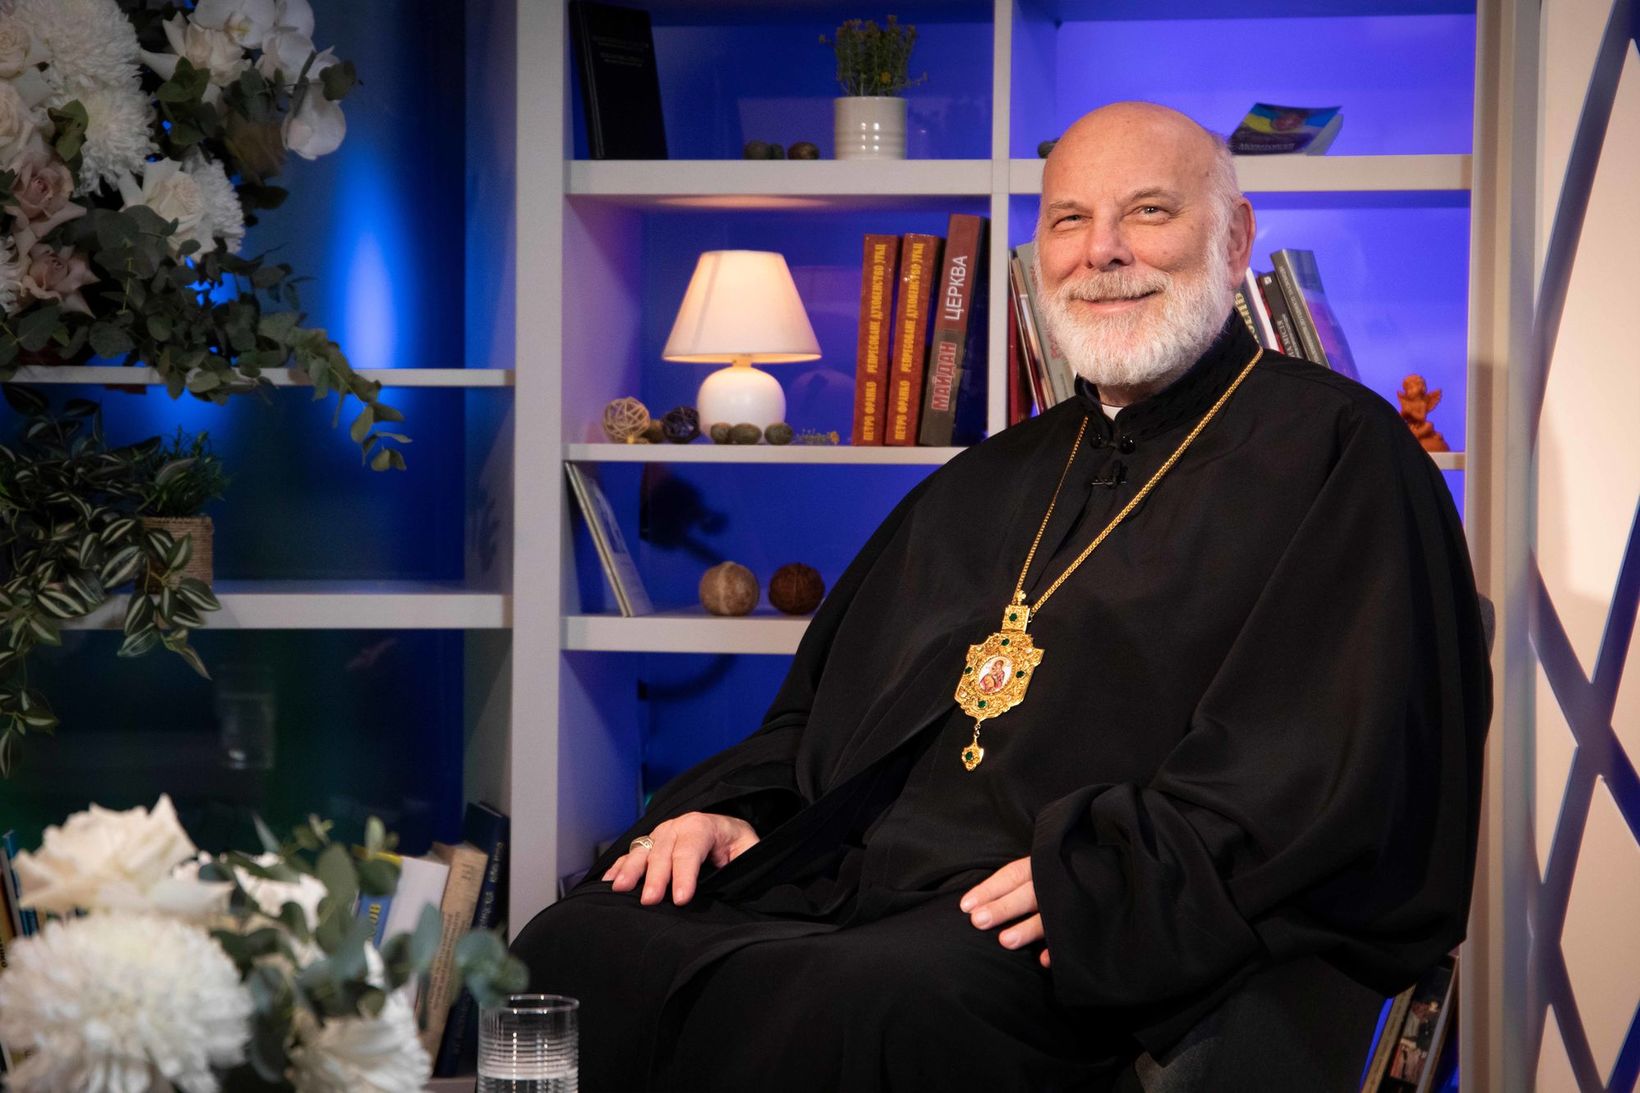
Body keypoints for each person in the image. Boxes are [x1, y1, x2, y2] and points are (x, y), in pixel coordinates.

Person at [512, 102, 1490, 1092]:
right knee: (569, 946)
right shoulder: (987, 477)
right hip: (857, 882)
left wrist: (1104, 876)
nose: (1101, 251)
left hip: (1064, 923)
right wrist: (738, 813)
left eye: (1147, 211)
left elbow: (1332, 764)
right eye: (1069, 219)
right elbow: (822, 713)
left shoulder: (1340, 456)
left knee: (868, 1006)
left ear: (1234, 240)